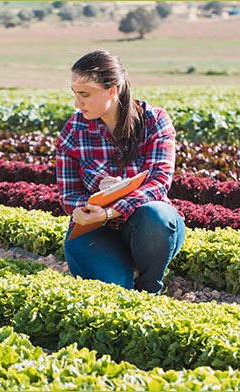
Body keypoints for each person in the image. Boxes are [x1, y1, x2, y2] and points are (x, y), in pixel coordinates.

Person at [56, 50, 185, 294]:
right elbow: (68, 195)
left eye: (85, 94)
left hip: (147, 228)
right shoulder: (74, 129)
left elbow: (158, 183)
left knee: (157, 215)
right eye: (74, 94)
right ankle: (119, 269)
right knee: (117, 292)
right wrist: (90, 209)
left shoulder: (154, 120)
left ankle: (149, 288)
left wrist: (109, 211)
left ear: (112, 91)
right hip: (95, 232)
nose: (77, 102)